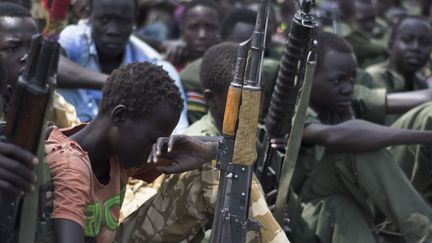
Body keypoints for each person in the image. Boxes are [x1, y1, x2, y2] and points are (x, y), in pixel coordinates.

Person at [116, 42, 289, 243]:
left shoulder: (253, 133)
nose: (253, 108)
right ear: (210, 98)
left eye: (259, 97)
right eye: (243, 99)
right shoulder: (198, 141)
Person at [44, 61, 217, 243]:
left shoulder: (119, 154)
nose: (156, 149)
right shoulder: (72, 166)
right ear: (120, 116)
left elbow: (213, 147)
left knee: (209, 171)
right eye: (153, 140)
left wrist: (210, 149)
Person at [296, 31, 432, 243]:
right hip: (309, 211)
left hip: (361, 194)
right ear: (307, 75)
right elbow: (337, 136)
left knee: (429, 113)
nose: (348, 88)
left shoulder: (338, 94)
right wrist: (425, 137)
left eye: (352, 79)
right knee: (354, 146)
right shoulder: (292, 108)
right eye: (338, 80)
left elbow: (420, 98)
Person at [56, 0, 189, 134]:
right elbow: (52, 66)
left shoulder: (148, 59)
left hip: (124, 143)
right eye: (104, 19)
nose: (113, 30)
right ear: (89, 16)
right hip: (72, 134)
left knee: (166, 69)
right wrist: (117, 83)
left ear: (134, 21)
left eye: (123, 22)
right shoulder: (75, 38)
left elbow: (179, 133)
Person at [180, 8, 280, 124]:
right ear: (221, 41)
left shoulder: (270, 73)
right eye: (239, 49)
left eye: (253, 52)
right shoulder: (194, 76)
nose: (245, 58)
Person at [0, 2, 80, 128]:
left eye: (35, 47)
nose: (28, 56)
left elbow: (76, 139)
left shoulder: (52, 104)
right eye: (11, 48)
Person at [366, 16, 432, 92]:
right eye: (407, 40)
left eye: (424, 43)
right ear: (390, 46)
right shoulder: (374, 75)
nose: (416, 48)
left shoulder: (420, 82)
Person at [164, 0, 221, 71]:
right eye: (194, 27)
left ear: (219, 29)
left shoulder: (226, 68)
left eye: (210, 27)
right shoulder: (169, 66)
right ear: (182, 28)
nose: (202, 35)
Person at [337, 0, 387, 67]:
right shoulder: (341, 32)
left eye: (373, 18)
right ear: (347, 17)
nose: (370, 25)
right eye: (364, 20)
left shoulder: (380, 26)